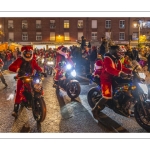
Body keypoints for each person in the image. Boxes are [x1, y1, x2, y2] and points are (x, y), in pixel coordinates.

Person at [92, 45, 132, 120]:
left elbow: (122, 68)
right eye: (119, 52)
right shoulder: (108, 59)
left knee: (126, 89)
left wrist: (131, 71)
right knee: (107, 96)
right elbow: (109, 69)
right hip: (106, 79)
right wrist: (120, 73)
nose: (121, 54)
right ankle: (95, 110)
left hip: (115, 78)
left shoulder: (117, 59)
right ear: (114, 52)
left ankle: (123, 106)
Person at [8, 46, 44, 117]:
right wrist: (18, 70)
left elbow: (37, 67)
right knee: (19, 92)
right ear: (23, 53)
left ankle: (38, 99)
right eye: (26, 53)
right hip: (22, 78)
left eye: (29, 53)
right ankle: (15, 110)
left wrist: (41, 71)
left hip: (31, 77)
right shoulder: (19, 60)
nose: (28, 55)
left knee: (37, 87)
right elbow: (11, 67)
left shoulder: (33, 60)